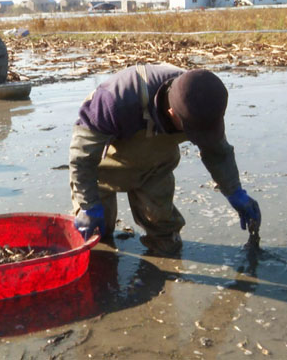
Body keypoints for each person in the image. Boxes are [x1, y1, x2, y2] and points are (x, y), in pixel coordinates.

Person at [69, 64, 261, 256]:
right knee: (95, 237)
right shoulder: (115, 99)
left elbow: (217, 152)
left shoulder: (202, 101)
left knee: (166, 239)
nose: (198, 136)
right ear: (171, 113)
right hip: (103, 169)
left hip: (156, 168)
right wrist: (88, 205)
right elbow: (82, 158)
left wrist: (234, 191)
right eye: (193, 132)